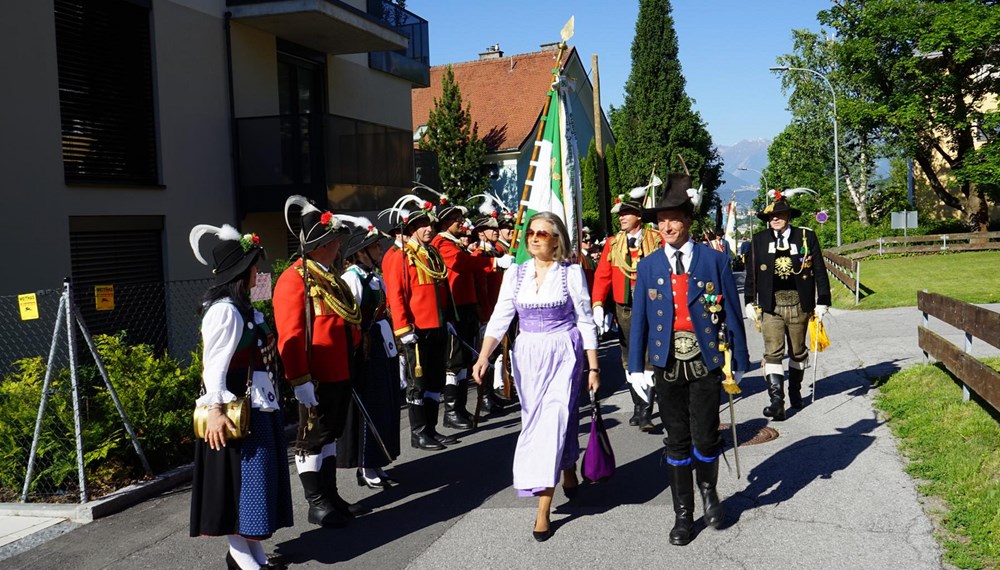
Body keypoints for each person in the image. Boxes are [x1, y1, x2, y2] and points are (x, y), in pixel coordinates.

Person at [627, 173, 750, 546]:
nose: (667, 226)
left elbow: (731, 308)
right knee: (675, 439)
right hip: (666, 363)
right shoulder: (648, 266)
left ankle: (710, 494)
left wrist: (740, 357)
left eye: (674, 219)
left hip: (706, 360)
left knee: (705, 435)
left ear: (688, 221)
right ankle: (683, 513)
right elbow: (640, 321)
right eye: (661, 220)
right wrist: (636, 367)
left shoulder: (713, 260)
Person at [472, 212, 600, 543]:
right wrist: (484, 356)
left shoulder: (570, 274)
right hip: (527, 355)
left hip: (563, 351)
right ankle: (568, 464)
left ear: (557, 239)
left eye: (543, 233)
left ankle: (542, 509)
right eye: (531, 233)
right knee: (538, 421)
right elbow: (500, 317)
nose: (535, 238)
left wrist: (594, 365)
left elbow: (585, 320)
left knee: (554, 420)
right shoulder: (515, 274)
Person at [188, 224, 293, 570]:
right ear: (240, 272)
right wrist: (215, 410)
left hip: (258, 406)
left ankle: (252, 553)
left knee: (257, 483)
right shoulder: (225, 312)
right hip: (235, 411)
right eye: (253, 266)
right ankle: (242, 556)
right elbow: (213, 366)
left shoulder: (244, 308)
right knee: (241, 484)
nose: (258, 272)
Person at [273, 197, 369, 528]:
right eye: (334, 239)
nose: (340, 243)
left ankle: (331, 496)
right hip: (315, 377)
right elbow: (290, 336)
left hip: (339, 370)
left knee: (330, 434)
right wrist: (299, 381)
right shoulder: (295, 279)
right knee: (312, 438)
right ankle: (316, 502)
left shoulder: (330, 276)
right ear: (321, 245)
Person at [744, 190, 831, 420]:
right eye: (772, 216)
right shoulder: (759, 241)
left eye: (780, 214)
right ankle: (777, 401)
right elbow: (751, 274)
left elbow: (819, 270)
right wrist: (749, 301)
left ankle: (794, 390)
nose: (776, 218)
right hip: (771, 305)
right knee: (772, 352)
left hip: (799, 303)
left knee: (798, 351)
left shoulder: (805, 236)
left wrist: (823, 301)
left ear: (788, 216)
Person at [382, 196, 458, 451]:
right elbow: (396, 294)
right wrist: (403, 329)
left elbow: (439, 288)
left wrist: (445, 319)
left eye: (430, 224)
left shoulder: (430, 253)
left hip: (435, 324)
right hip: (416, 330)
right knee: (419, 383)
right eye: (423, 225)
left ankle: (432, 429)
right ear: (411, 229)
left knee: (435, 380)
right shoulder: (398, 256)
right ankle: (419, 433)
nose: (429, 228)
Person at [431, 201, 508, 430]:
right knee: (454, 363)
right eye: (456, 219)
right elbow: (460, 263)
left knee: (464, 361)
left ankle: (461, 407)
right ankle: (452, 411)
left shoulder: (452, 243)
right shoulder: (442, 243)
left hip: (466, 308)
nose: (460, 223)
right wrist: (493, 262)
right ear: (445, 222)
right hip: (455, 309)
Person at [337, 226, 402, 489]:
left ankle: (377, 461)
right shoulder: (352, 278)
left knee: (384, 403)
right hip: (366, 348)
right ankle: (365, 465)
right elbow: (350, 320)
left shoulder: (373, 276)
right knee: (371, 405)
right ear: (361, 252)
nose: (380, 250)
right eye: (375, 246)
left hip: (381, 344)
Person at [592, 191, 663, 431]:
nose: (621, 217)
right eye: (620, 214)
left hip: (653, 304)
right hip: (624, 307)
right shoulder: (613, 244)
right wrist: (599, 304)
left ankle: (646, 410)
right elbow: (603, 276)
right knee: (629, 356)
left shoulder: (656, 239)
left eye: (626, 213)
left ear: (639, 217)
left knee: (649, 355)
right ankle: (637, 405)